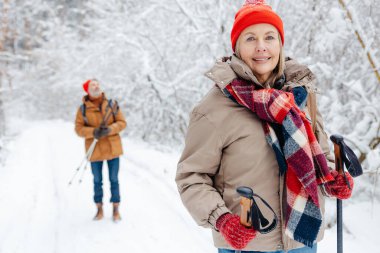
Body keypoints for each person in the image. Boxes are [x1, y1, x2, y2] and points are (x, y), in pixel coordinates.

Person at [175, 0, 354, 252]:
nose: (261, 47)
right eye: (250, 38)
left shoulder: (301, 96)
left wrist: (332, 178)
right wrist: (222, 219)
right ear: (236, 47)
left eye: (269, 37)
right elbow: (191, 177)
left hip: (303, 239)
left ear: (280, 44)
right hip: (247, 243)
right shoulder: (213, 108)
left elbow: (320, 156)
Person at [75, 79, 127, 222]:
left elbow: (122, 123)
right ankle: (99, 210)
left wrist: (110, 129)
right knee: (97, 181)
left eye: (97, 84)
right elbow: (78, 129)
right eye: (93, 85)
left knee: (114, 180)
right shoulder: (83, 109)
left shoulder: (112, 105)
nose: (96, 86)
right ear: (87, 90)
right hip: (94, 151)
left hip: (112, 149)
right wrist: (93, 132)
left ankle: (116, 210)